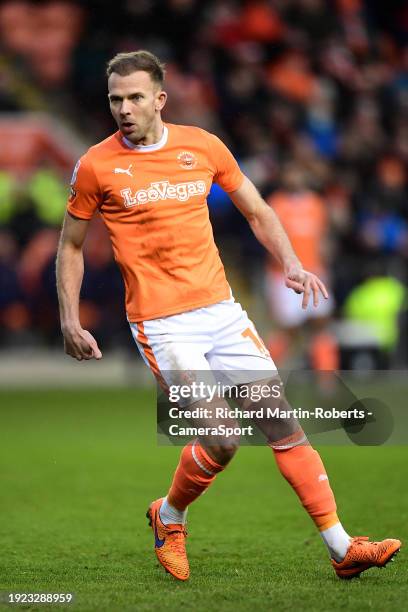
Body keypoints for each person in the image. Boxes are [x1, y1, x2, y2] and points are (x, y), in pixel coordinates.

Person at [56, 50, 401, 582]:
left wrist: (291, 264)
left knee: (282, 421)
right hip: (162, 321)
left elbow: (258, 210)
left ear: (160, 100)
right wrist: (69, 319)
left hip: (220, 310)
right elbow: (71, 246)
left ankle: (341, 548)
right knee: (221, 437)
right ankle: (170, 517)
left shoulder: (203, 146)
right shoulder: (97, 165)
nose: (124, 108)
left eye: (135, 97)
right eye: (115, 99)